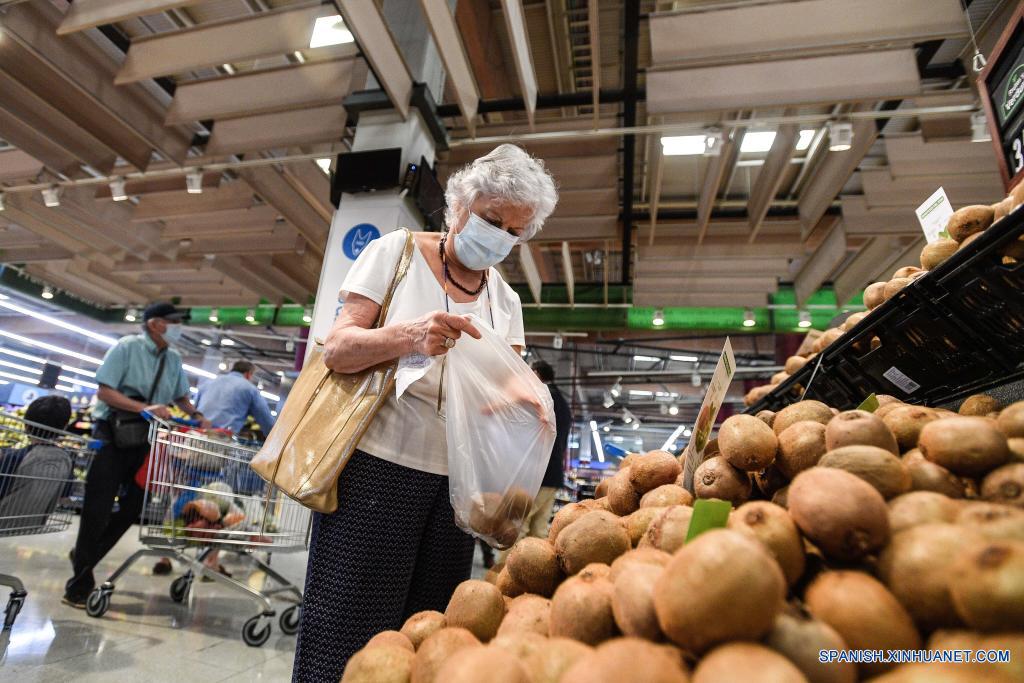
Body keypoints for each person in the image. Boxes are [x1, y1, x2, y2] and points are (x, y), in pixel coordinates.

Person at [293, 144, 558, 681]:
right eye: (492, 220)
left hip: (458, 491)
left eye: (516, 231)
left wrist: (526, 404)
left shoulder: (506, 303)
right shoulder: (396, 253)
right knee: (349, 625)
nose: (502, 237)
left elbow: (495, 396)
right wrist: (409, 335)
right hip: (376, 469)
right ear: (459, 204)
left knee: (430, 631)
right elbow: (338, 348)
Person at [63, 302, 209, 607]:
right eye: (175, 321)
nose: (180, 326)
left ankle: (84, 556)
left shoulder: (174, 358)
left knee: (133, 507)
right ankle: (78, 586)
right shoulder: (127, 347)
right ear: (155, 324)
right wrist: (143, 408)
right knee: (97, 509)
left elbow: (180, 395)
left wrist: (196, 414)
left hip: (145, 439)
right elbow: (105, 391)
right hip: (112, 434)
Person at [0, 396, 74, 530]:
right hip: (34, 522)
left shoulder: (15, 458)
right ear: (64, 428)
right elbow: (64, 496)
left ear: (26, 425)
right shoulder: (66, 460)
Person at [525, 360, 572, 537]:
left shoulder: (543, 398)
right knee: (539, 528)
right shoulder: (563, 402)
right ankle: (535, 564)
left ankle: (505, 566)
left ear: (536, 373)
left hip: (538, 473)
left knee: (519, 524)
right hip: (554, 474)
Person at [194, 360, 276, 436]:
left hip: (196, 432)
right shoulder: (250, 389)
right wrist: (274, 437)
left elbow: (194, 409)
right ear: (248, 374)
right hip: (221, 437)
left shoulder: (208, 383)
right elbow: (266, 420)